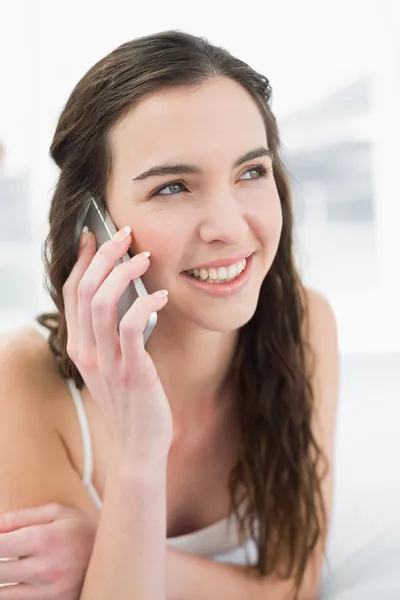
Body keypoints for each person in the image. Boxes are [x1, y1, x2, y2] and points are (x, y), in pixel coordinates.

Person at [0, 30, 338, 600]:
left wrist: (104, 550)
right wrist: (139, 452)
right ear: (93, 225)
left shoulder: (303, 322)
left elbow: (294, 579)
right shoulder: (20, 384)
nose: (229, 227)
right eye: (173, 186)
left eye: (251, 172)